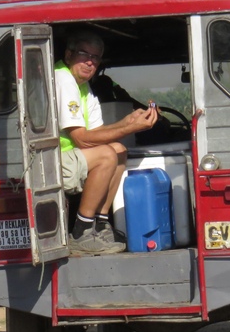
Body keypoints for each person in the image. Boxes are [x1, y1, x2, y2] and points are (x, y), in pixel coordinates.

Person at [55, 31, 158, 254]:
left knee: (119, 150)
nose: (90, 62)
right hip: (52, 161)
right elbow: (81, 138)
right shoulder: (63, 80)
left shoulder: (83, 85)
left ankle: (100, 226)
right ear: (69, 54)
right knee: (106, 155)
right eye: (84, 54)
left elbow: (96, 132)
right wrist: (130, 128)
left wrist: (127, 122)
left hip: (72, 157)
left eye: (95, 57)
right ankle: (81, 232)